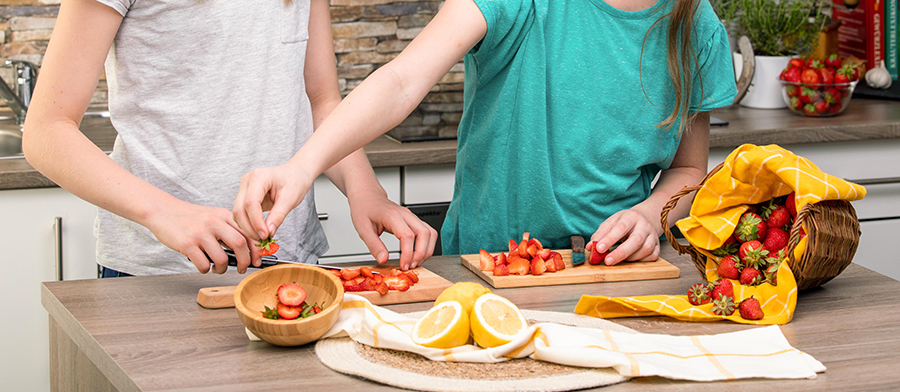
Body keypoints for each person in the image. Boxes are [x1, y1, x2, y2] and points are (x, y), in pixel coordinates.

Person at [232, 0, 737, 265]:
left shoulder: (697, 25)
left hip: (614, 274)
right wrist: (301, 167)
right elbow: (403, 80)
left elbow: (689, 169)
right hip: (480, 269)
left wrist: (651, 214)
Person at [22, 0, 436, 277]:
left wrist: (367, 192)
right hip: (158, 270)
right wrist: (165, 213)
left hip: (287, 258)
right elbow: (46, 131)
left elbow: (321, 100)